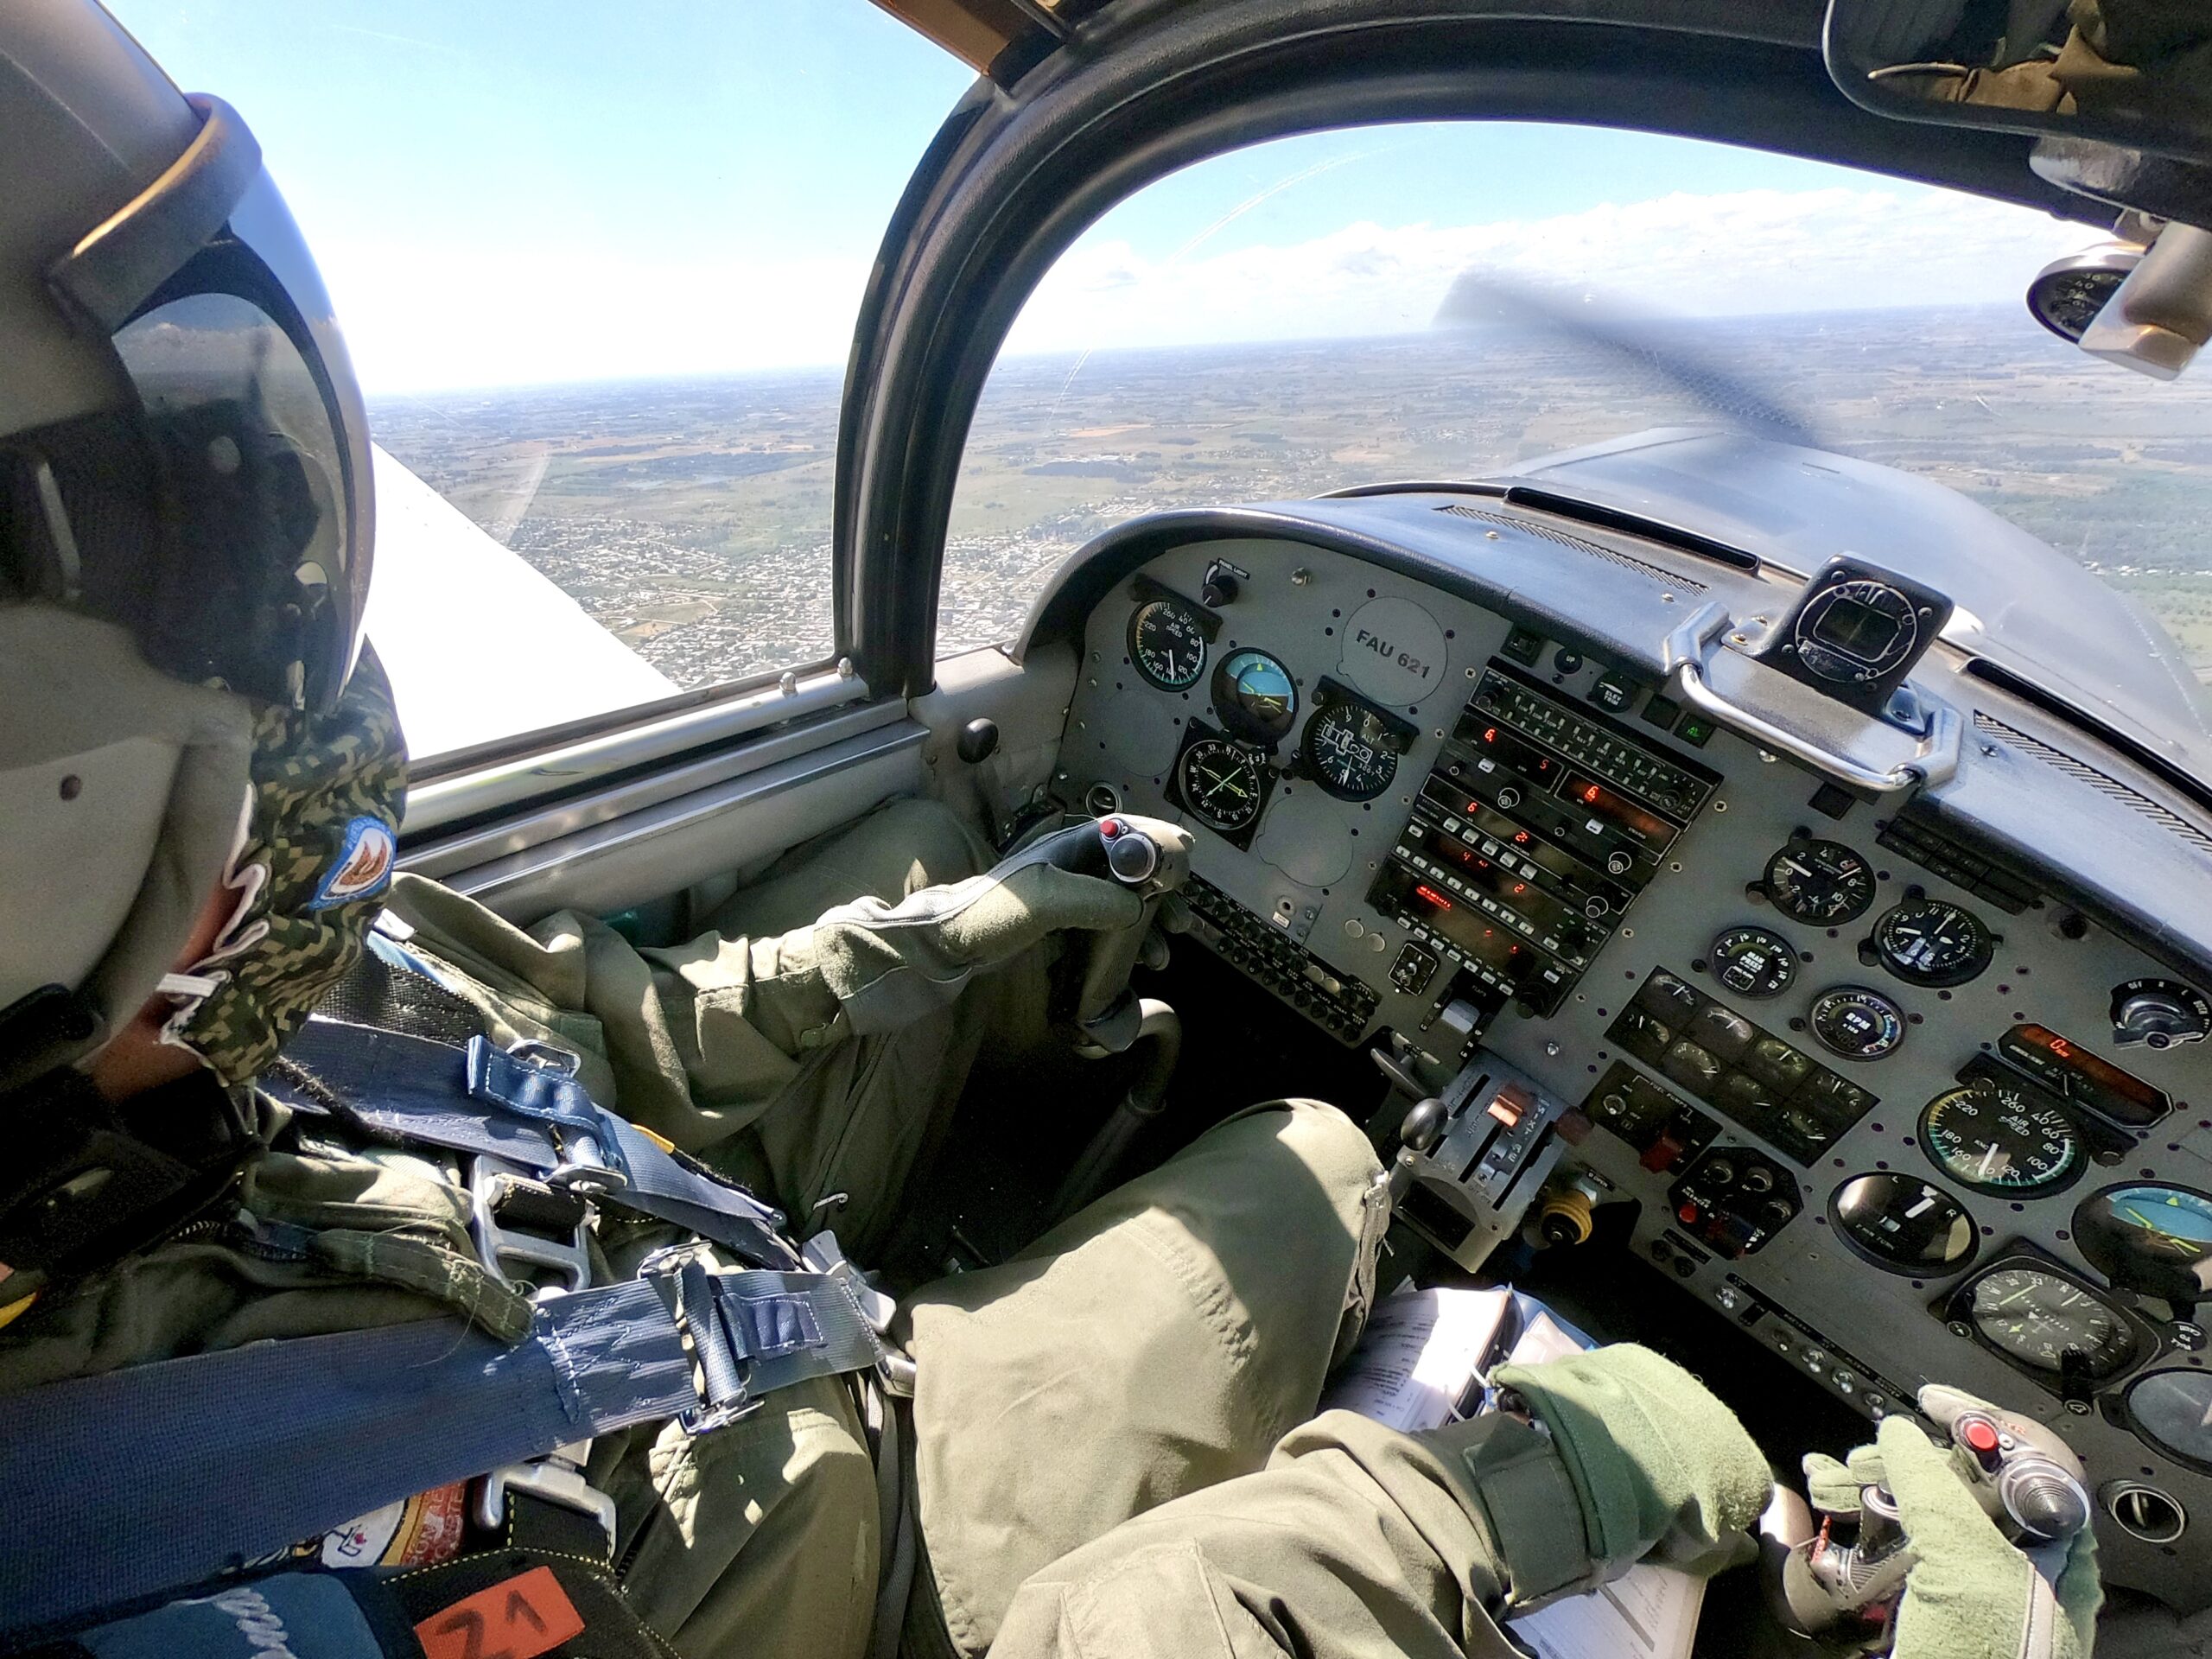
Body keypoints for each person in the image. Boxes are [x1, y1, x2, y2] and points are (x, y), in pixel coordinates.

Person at [0, 8, 2067, 1659]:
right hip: (879, 1540)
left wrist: (982, 913)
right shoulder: (146, 1554)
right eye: (244, 862)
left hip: (686, 1300)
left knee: (912, 823)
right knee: (1328, 1151)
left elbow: (586, 1053)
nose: (303, 880)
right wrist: (1489, 1496)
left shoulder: (209, 1040)